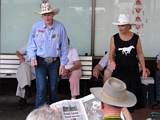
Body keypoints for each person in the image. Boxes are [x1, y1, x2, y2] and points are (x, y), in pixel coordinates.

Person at [27, 0, 69, 108]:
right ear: (42, 16)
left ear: (53, 14)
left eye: (49, 14)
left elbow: (64, 46)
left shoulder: (60, 27)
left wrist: (63, 64)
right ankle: (39, 115)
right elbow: (31, 44)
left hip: (55, 62)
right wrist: (32, 57)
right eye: (44, 15)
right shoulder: (36, 27)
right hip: (40, 61)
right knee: (41, 88)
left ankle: (53, 113)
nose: (47, 17)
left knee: (53, 88)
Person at [108, 14, 148, 109]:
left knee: (131, 98)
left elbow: (140, 54)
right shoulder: (114, 38)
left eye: (123, 25)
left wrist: (143, 69)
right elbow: (111, 54)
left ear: (128, 26)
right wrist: (112, 61)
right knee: (118, 98)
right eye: (119, 25)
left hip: (132, 70)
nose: (120, 27)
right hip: (119, 70)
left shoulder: (135, 38)